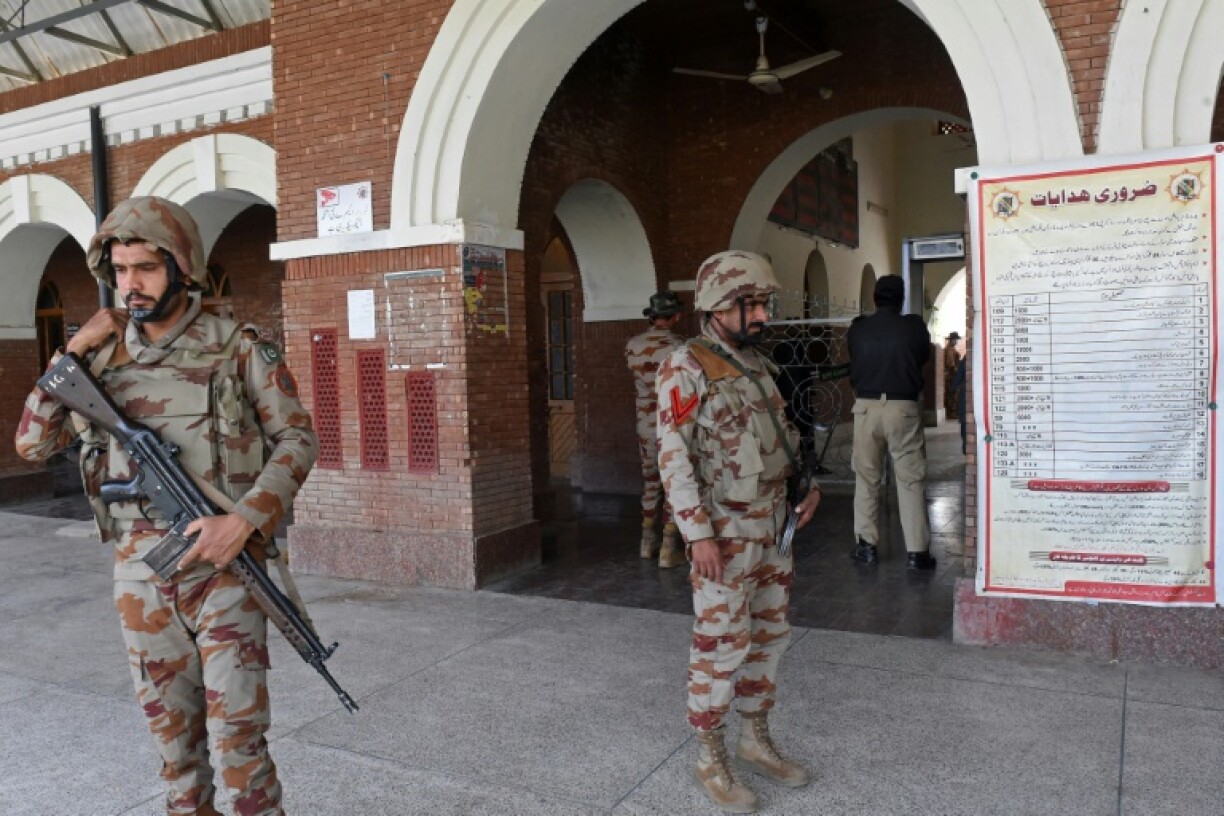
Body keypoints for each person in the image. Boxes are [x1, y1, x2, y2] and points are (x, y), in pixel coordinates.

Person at [15, 196, 318, 816]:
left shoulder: (236, 347)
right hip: (141, 576)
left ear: (183, 268)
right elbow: (32, 444)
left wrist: (245, 519)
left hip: (225, 570)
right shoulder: (96, 359)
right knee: (175, 751)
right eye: (121, 270)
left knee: (239, 743)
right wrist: (70, 353)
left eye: (147, 269)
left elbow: (297, 439)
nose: (131, 284)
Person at [657, 250, 821, 813]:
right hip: (724, 534)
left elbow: (784, 441)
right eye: (752, 304)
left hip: (773, 527)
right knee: (721, 643)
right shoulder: (686, 365)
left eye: (764, 304)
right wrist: (696, 533)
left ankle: (754, 740)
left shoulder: (755, 364)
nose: (763, 315)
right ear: (719, 305)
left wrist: (808, 490)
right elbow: (673, 456)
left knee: (769, 637)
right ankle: (710, 756)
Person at [846, 274, 936, 570]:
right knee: (910, 480)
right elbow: (923, 356)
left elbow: (853, 358)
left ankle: (866, 547)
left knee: (866, 478)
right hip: (903, 408)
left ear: (874, 298)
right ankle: (917, 552)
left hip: (866, 408)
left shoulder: (858, 328)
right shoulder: (914, 327)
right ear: (902, 299)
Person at [624, 290, 686, 568]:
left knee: (651, 481)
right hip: (673, 424)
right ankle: (668, 549)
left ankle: (647, 543)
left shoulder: (632, 345)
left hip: (645, 425)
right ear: (676, 316)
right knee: (674, 481)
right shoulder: (681, 348)